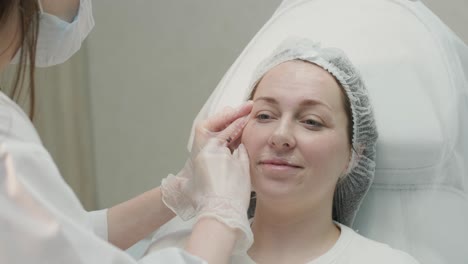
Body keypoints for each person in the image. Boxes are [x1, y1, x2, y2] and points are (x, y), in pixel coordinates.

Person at [0, 0, 253, 263]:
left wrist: (184, 189)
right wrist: (221, 217)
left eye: (302, 120)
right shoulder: (7, 144)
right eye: (266, 115)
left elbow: (62, 236)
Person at [146, 38, 421, 263]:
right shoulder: (177, 252)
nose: (280, 136)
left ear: (353, 156)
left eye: (312, 121)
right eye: (265, 116)